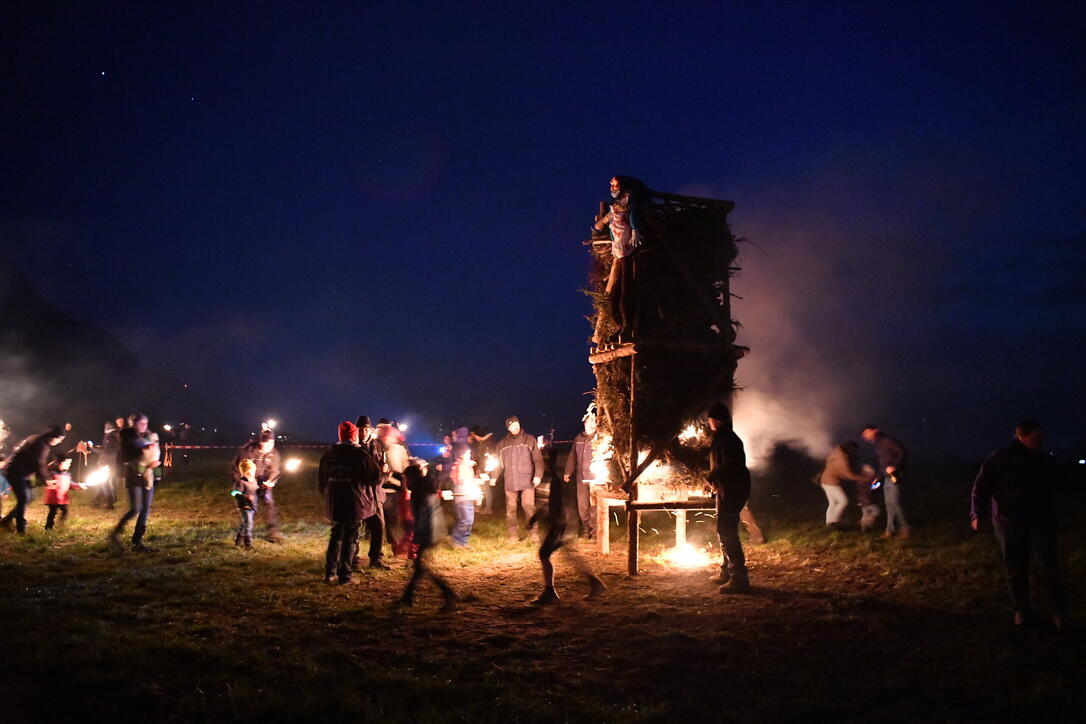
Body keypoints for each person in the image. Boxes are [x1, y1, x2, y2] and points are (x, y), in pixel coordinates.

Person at [970, 420, 1066, 628]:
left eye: (1042, 438)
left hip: (1041, 520)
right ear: (1022, 436)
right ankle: (1021, 610)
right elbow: (982, 484)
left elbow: (1062, 482)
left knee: (1049, 565)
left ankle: (1057, 610)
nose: (1040, 441)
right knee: (1016, 567)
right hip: (1009, 521)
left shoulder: (1044, 460)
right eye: (1036, 438)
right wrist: (976, 512)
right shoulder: (1001, 457)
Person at [531, 448, 605, 604]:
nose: (543, 462)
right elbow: (551, 503)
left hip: (560, 524)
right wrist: (537, 516)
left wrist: (554, 523)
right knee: (569, 556)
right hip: (563, 524)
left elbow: (557, 505)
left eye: (545, 459)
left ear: (549, 461)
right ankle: (595, 583)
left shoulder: (556, 479)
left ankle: (550, 592)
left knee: (545, 554)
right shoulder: (555, 477)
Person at [317, 421, 382, 585]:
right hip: (354, 501)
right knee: (350, 537)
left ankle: (329, 573)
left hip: (334, 500)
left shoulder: (329, 453)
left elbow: (321, 478)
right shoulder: (359, 454)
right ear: (354, 436)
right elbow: (375, 477)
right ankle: (345, 576)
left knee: (336, 534)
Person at [593, 175, 648, 343]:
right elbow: (609, 220)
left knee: (626, 288)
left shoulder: (628, 202)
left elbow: (632, 216)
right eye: (611, 185)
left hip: (627, 247)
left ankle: (627, 325)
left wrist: (635, 229)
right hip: (618, 247)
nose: (613, 188)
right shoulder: (615, 206)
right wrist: (602, 224)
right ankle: (620, 325)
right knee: (615, 293)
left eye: (616, 185)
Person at [398, 460, 457, 612]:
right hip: (433, 531)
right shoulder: (424, 488)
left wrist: (418, 536)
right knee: (419, 567)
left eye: (406, 478)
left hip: (429, 532)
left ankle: (448, 593)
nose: (405, 482)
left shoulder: (419, 493)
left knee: (421, 567)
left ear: (411, 478)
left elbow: (425, 516)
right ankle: (407, 598)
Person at [706, 404, 751, 593]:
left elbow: (731, 463)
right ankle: (726, 572)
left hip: (733, 489)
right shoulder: (723, 437)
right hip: (727, 488)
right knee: (723, 528)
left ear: (716, 420)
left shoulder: (727, 438)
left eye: (710, 419)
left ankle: (738, 578)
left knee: (726, 529)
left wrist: (712, 475)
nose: (708, 423)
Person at [0, 425, 66, 535]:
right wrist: (47, 479)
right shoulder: (40, 444)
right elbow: (38, 463)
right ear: (55, 437)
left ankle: (6, 521)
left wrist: (47, 478)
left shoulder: (42, 442)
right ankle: (21, 528)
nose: (59, 442)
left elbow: (40, 463)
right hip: (14, 471)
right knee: (24, 498)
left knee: (30, 497)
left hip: (22, 473)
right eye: (60, 440)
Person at [109, 413, 159, 552]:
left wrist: (155, 464)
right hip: (134, 476)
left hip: (148, 476)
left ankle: (137, 541)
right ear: (133, 424)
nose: (144, 426)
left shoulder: (147, 437)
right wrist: (142, 452)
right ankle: (115, 533)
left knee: (146, 509)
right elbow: (126, 458)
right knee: (136, 508)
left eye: (146, 423)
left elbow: (153, 453)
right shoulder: (127, 438)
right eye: (141, 423)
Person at [494, 416, 544, 543]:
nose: (515, 426)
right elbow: (498, 463)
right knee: (510, 509)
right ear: (508, 428)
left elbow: (538, 460)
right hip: (510, 481)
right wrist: (494, 476)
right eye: (512, 425)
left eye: (516, 424)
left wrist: (538, 475)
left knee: (528, 506)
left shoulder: (529, 439)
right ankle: (513, 535)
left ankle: (533, 533)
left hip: (527, 480)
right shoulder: (502, 444)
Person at [231, 430, 283, 542]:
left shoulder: (274, 454)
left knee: (269, 502)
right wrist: (241, 483)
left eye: (271, 444)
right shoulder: (248, 451)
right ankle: (245, 531)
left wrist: (270, 481)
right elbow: (238, 468)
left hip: (263, 481)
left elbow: (275, 471)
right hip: (248, 481)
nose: (268, 447)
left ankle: (272, 532)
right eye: (265, 444)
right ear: (260, 442)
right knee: (250, 507)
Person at [861, 425, 910, 539]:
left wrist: (895, 466)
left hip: (895, 476)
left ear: (875, 430)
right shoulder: (878, 445)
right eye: (864, 435)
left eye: (867, 432)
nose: (866, 436)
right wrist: (878, 477)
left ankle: (905, 528)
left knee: (894, 503)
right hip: (886, 477)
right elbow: (883, 463)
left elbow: (903, 452)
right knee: (888, 504)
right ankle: (889, 531)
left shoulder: (887, 440)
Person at [818, 442, 869, 528]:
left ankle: (829, 522)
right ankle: (834, 522)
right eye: (854, 451)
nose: (855, 453)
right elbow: (849, 475)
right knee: (843, 501)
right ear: (850, 450)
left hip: (825, 479)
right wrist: (866, 478)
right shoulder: (842, 459)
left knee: (833, 502)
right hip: (831, 481)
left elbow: (834, 467)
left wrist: (841, 474)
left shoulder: (835, 452)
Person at [563, 413, 598, 539]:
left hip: (595, 478)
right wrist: (568, 471)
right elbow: (573, 456)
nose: (590, 425)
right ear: (584, 424)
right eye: (587, 422)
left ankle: (595, 533)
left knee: (594, 506)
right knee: (582, 507)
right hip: (581, 478)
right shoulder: (578, 438)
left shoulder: (599, 438)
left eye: (593, 422)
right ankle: (586, 529)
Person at [43, 453, 85, 530]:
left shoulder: (67, 474)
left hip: (62, 499)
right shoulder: (52, 473)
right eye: (67, 463)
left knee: (65, 511)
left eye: (70, 463)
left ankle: (60, 524)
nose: (69, 465)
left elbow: (70, 483)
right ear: (60, 463)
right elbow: (45, 476)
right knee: (52, 513)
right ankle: (48, 527)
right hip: (53, 498)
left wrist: (78, 485)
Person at [449, 446, 477, 548]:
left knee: (470, 521)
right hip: (462, 496)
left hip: (469, 495)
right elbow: (459, 480)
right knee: (465, 520)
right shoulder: (459, 465)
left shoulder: (467, 466)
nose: (469, 455)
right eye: (467, 453)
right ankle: (457, 541)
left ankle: (464, 542)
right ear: (461, 455)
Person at [92, 418, 124, 509]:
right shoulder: (116, 436)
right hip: (111, 463)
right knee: (103, 483)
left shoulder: (109, 436)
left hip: (106, 463)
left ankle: (109, 504)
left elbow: (107, 451)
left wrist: (92, 448)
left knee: (104, 483)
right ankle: (96, 501)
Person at [232, 459, 259, 549]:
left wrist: (263, 488)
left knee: (245, 523)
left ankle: (238, 541)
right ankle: (248, 544)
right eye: (252, 470)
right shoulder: (241, 482)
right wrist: (246, 497)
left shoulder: (254, 481)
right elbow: (234, 493)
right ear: (246, 471)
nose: (254, 471)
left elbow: (257, 492)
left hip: (253, 506)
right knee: (249, 524)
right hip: (245, 506)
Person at [469, 425, 495, 514]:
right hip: (483, 469)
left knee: (486, 489)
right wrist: (479, 469)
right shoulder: (482, 443)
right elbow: (481, 458)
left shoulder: (488, 443)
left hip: (487, 470)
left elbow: (489, 458)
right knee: (482, 488)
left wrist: (486, 471)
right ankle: (481, 506)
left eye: (475, 435)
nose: (474, 437)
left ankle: (488, 508)